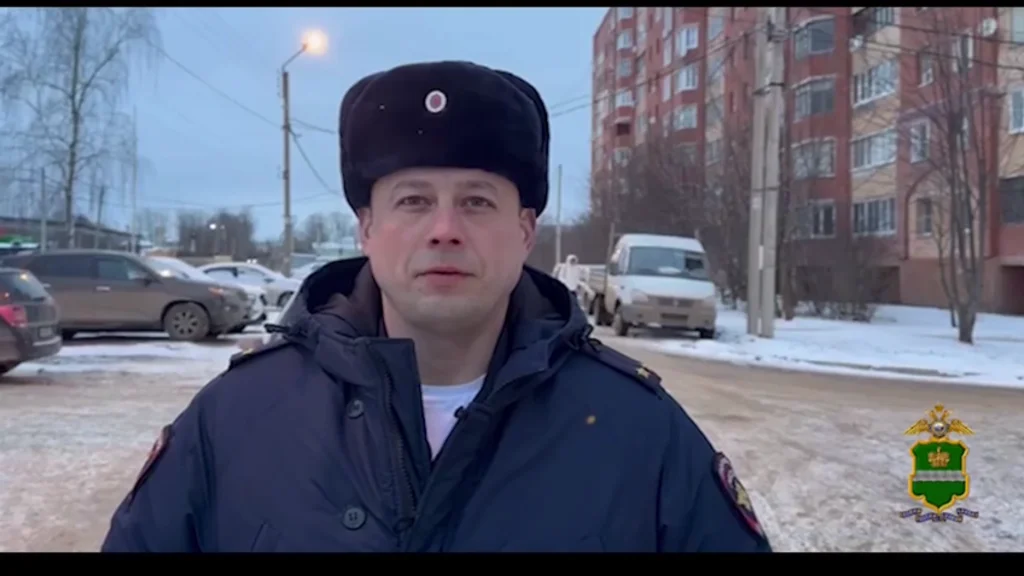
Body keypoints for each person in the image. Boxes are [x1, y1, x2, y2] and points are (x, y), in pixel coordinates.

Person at [100, 60, 772, 553]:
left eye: (477, 201)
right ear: (367, 228)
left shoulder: (639, 433)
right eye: (413, 200)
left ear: (525, 231)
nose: (444, 229)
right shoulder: (236, 420)